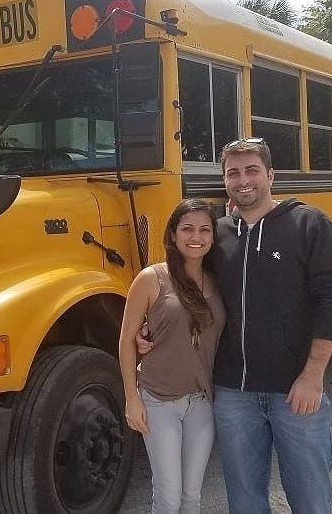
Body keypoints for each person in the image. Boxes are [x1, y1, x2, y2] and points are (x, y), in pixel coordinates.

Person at [211, 137, 332, 514]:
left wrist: (313, 375)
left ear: (271, 175)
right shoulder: (217, 234)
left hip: (295, 391)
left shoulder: (309, 224)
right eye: (233, 173)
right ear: (224, 180)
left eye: (252, 170)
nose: (243, 181)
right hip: (234, 393)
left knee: (310, 499)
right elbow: (189, 295)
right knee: (244, 501)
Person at [119, 198, 226, 514]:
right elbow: (126, 340)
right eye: (188, 229)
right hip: (159, 400)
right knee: (168, 497)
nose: (197, 237)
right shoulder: (152, 278)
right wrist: (131, 399)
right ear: (173, 234)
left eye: (205, 230)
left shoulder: (218, 280)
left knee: (191, 497)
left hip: (202, 400)